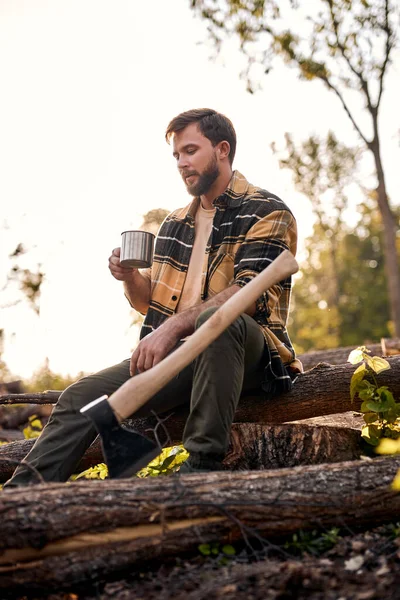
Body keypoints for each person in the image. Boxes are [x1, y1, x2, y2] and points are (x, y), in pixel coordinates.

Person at [5, 108, 301, 487]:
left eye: (191, 150)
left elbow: (249, 294)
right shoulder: (175, 224)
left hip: (246, 356)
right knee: (80, 396)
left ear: (222, 149)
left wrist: (174, 327)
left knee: (222, 323)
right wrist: (130, 277)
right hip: (178, 357)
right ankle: (18, 498)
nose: (181, 162)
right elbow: (152, 305)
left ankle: (202, 467)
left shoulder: (267, 210)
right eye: (176, 155)